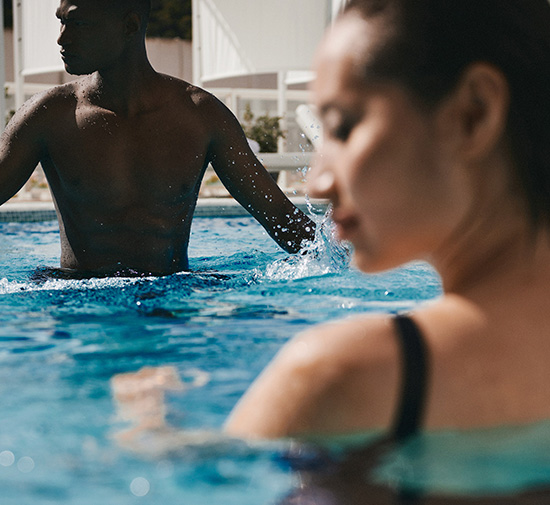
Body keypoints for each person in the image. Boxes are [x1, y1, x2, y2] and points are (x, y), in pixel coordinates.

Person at [221, 0, 550, 501]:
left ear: (472, 114)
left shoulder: (341, 375)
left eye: (345, 126)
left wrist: (145, 418)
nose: (317, 182)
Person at [0, 0, 315, 277]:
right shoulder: (48, 116)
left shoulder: (200, 116)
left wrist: (355, 269)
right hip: (77, 301)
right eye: (62, 21)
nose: (62, 38)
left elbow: (281, 219)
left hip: (171, 301)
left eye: (78, 23)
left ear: (130, 25)